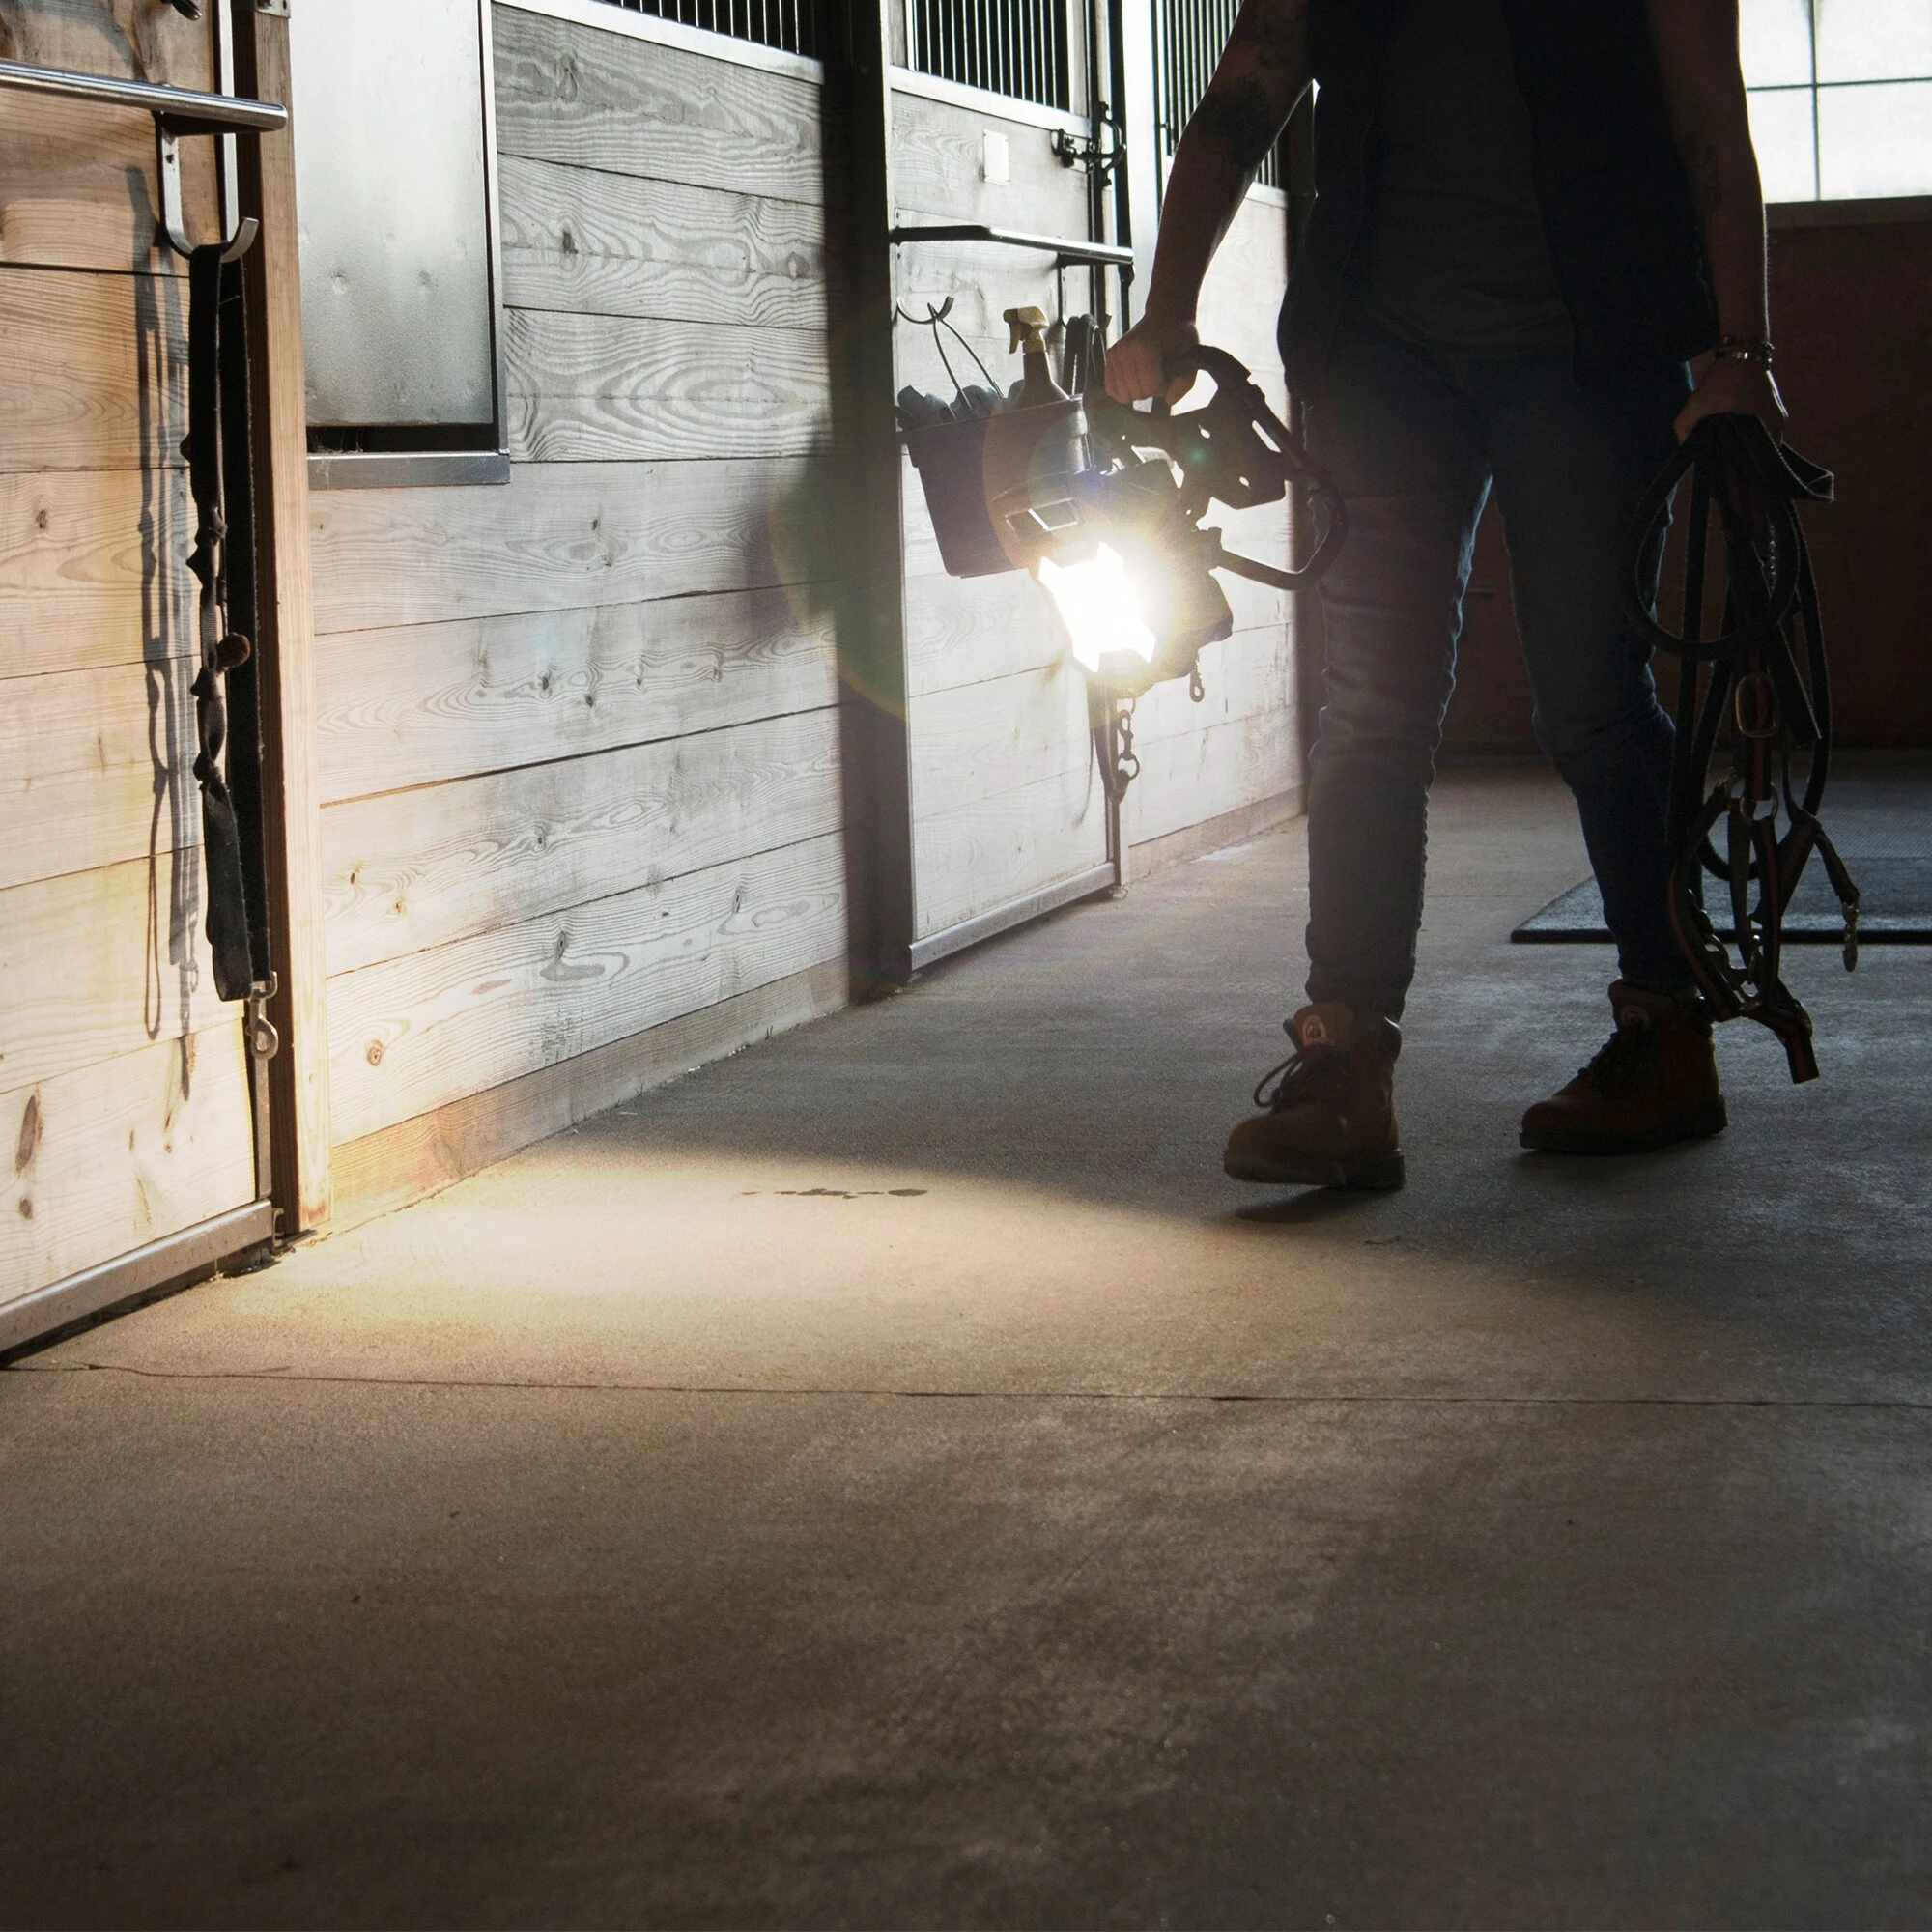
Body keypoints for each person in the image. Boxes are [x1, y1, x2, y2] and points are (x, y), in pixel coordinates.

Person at [1106, 0, 1788, 1191]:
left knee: (1591, 700)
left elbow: (1703, 112)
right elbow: (1243, 93)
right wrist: (1167, 307)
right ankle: (1343, 1054)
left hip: (1589, 349)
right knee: (1370, 704)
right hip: (1381, 358)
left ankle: (1666, 1026)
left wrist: (1742, 353)